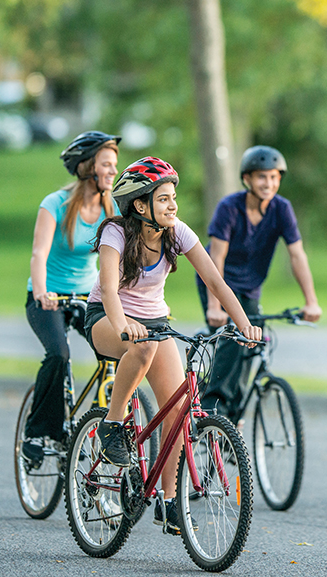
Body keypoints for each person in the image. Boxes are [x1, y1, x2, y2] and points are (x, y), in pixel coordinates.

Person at [84, 156, 262, 536]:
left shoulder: (176, 232)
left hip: (155, 324)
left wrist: (244, 323)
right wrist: (123, 326)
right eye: (163, 199)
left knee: (178, 409)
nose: (173, 205)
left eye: (173, 197)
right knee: (143, 348)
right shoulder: (115, 234)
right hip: (105, 318)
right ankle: (112, 425)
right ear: (140, 205)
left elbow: (216, 281)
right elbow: (111, 291)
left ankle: (169, 503)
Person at [196, 146, 322, 418]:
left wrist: (311, 301)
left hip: (250, 287)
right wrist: (214, 307)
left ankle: (231, 418)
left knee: (251, 344)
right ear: (247, 179)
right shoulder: (229, 207)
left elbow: (297, 255)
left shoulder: (281, 209)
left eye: (275, 177)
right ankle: (211, 405)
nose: (269, 183)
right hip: (217, 281)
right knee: (233, 339)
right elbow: (216, 257)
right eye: (263, 177)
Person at [22, 131, 120, 466]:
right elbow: (39, 253)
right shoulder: (55, 204)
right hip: (48, 296)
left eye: (114, 165)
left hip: (88, 297)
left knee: (118, 353)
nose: (112, 171)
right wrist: (41, 292)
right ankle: (37, 432)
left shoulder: (114, 207)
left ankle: (104, 423)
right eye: (106, 164)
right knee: (59, 354)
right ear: (86, 167)